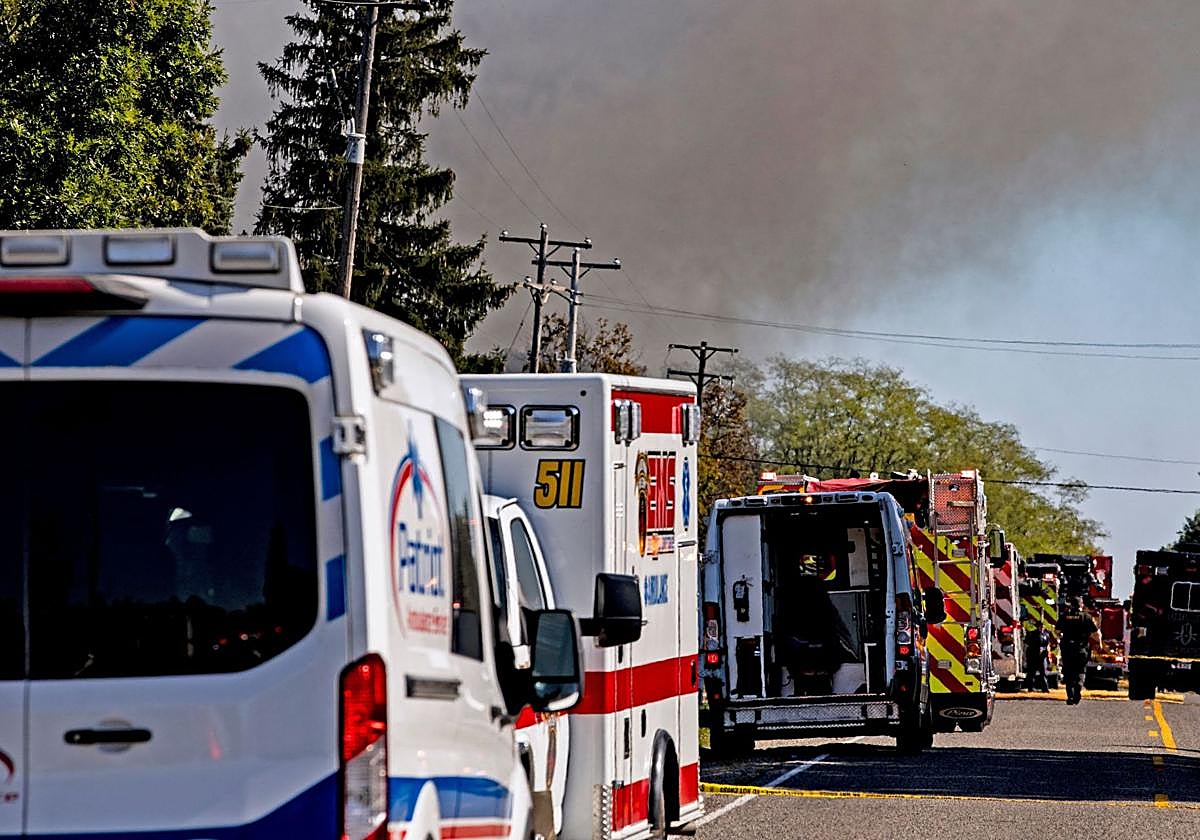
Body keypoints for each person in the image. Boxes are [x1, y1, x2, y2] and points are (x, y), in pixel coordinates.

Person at [1057, 595, 1101, 705]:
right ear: (1081, 604)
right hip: (1081, 649)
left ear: (1071, 604)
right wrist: (1099, 644)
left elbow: (1057, 631)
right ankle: (1077, 692)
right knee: (1080, 671)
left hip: (1067, 648)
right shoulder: (1087, 617)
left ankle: (1070, 696)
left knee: (1068, 672)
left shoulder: (1065, 616)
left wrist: (1062, 638)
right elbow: (1096, 633)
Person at [1023, 623, 1050, 692]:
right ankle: (1030, 688)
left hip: (1042, 656)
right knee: (1031, 673)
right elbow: (1027, 644)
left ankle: (1045, 688)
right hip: (1033, 655)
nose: (1041, 628)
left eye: (1042, 627)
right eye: (1040, 627)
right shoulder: (1032, 634)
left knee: (1044, 672)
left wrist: (1048, 655)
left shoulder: (1046, 635)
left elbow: (1047, 645)